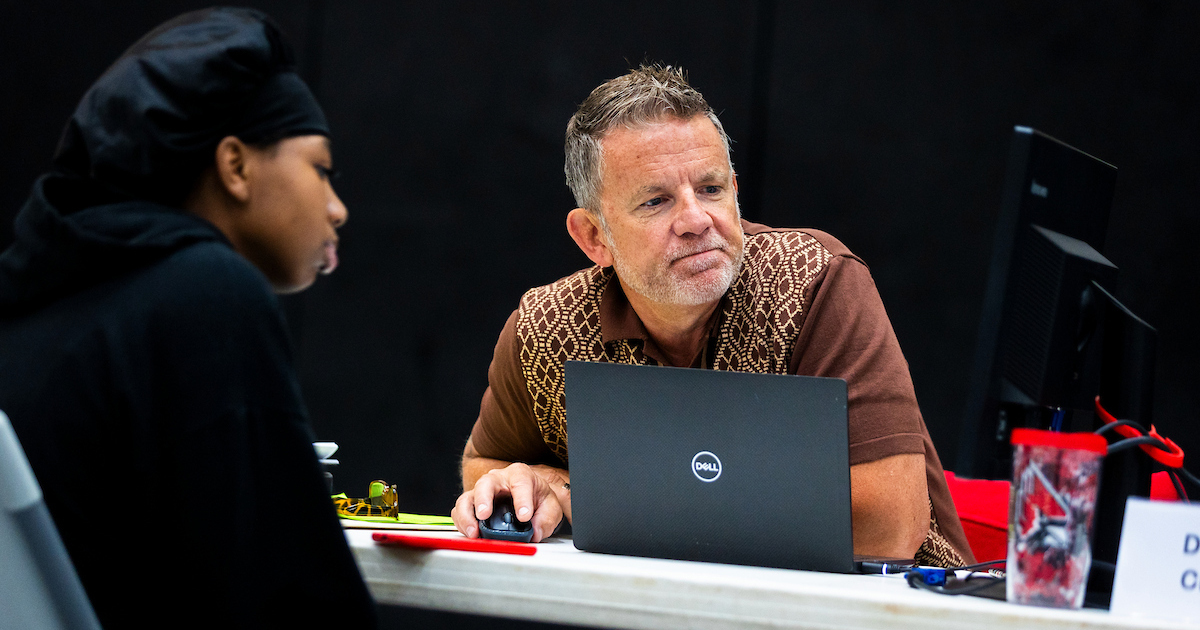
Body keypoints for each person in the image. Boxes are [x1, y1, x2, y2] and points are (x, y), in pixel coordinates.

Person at [451, 64, 974, 567]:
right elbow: (482, 464)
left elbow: (890, 528)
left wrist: (578, 491)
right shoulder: (545, 326)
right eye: (656, 201)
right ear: (593, 237)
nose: (697, 220)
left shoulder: (816, 281)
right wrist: (530, 484)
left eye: (711, 189)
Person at [0, 9, 377, 627]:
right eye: (320, 168)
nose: (336, 208)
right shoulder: (208, 292)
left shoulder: (43, 300)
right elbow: (284, 594)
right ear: (235, 166)